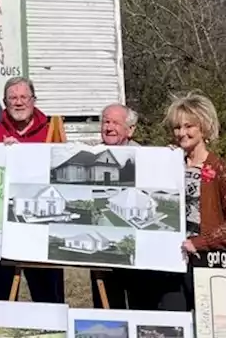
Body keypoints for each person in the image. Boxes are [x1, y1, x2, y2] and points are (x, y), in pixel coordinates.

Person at [147, 91, 226, 312]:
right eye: (177, 127)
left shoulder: (219, 169)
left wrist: (200, 242)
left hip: (204, 263)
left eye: (188, 126)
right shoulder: (167, 164)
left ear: (203, 127)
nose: (181, 133)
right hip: (170, 263)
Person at [0, 77, 65, 303]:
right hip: (0, 233)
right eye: (12, 98)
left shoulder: (52, 132)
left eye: (24, 97)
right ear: (5, 102)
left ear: (33, 100)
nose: (18, 102)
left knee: (48, 299)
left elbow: (63, 176)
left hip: (42, 231)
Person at [90, 103, 142, 310]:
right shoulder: (92, 154)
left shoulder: (147, 157)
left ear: (130, 129)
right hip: (101, 248)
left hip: (134, 248)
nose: (109, 127)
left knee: (139, 305)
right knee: (108, 309)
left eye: (115, 123)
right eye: (105, 121)